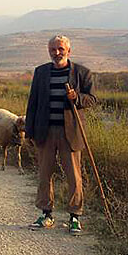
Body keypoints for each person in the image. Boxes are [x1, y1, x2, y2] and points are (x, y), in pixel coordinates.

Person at [24, 35, 96, 235]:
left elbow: (92, 100)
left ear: (68, 51)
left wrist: (77, 97)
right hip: (45, 132)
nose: (56, 53)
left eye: (60, 49)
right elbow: (33, 104)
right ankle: (46, 215)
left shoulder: (82, 73)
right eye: (53, 50)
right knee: (44, 174)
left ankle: (75, 216)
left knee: (74, 176)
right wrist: (28, 131)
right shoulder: (41, 73)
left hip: (70, 133)